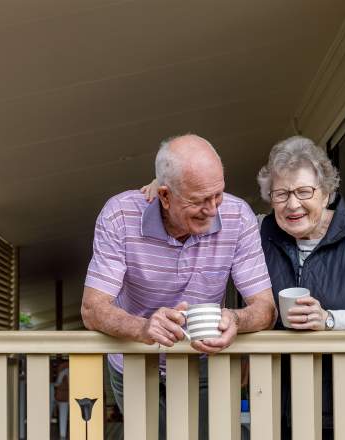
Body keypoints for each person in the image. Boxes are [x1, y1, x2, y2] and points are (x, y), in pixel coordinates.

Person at [142, 135, 345, 440]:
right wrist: (169, 189)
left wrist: (331, 320)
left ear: (326, 194)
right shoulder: (256, 230)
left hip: (343, 402)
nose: (292, 204)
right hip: (269, 398)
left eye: (304, 192)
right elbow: (202, 199)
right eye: (281, 194)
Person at [82, 134, 277, 440]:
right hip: (133, 360)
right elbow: (92, 310)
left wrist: (237, 320)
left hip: (201, 361)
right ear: (164, 196)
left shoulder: (238, 217)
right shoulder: (119, 215)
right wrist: (144, 328)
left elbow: (266, 309)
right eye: (199, 200)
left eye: (218, 195)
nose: (212, 210)